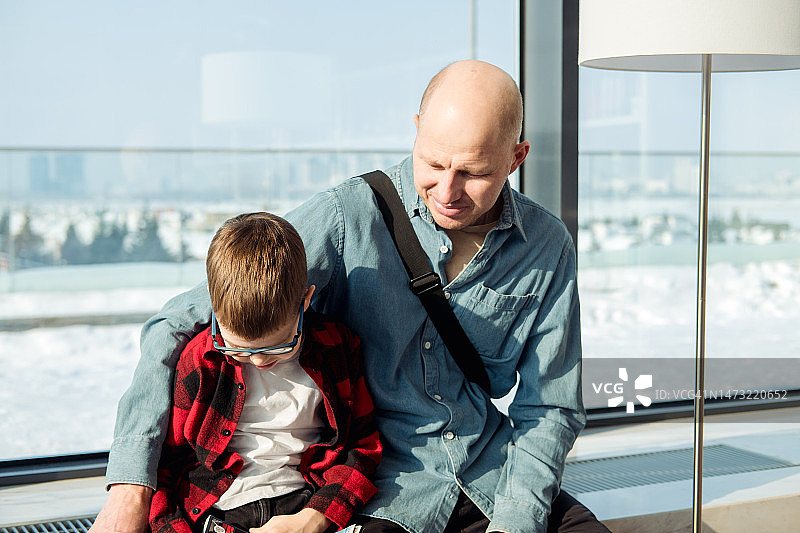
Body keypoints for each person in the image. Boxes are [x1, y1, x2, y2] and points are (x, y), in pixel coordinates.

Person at [91, 60, 609, 533]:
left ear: (516, 158)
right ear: (416, 130)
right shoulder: (347, 217)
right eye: (433, 163)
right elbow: (176, 322)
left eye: (473, 173)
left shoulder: (546, 245)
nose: (448, 191)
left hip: (494, 475)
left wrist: (516, 522)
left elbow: (550, 407)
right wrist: (129, 491)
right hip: (381, 491)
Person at [148, 212, 381, 533]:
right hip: (217, 510)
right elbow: (167, 464)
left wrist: (318, 517)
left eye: (278, 346)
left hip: (308, 501)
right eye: (238, 349)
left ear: (305, 302)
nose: (258, 361)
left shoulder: (336, 348)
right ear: (214, 308)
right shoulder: (202, 360)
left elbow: (363, 446)